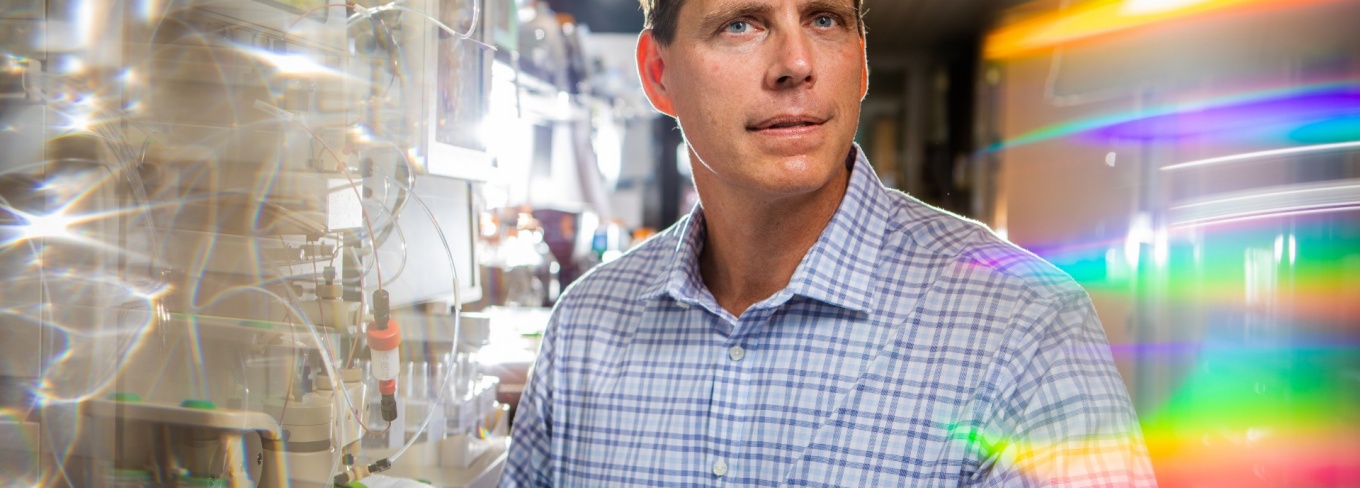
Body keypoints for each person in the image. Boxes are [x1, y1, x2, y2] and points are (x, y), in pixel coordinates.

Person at [501, 0, 1156, 485]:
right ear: (657, 73)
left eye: (824, 19)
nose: (796, 63)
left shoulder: (1027, 326)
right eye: (741, 24)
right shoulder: (584, 327)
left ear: (862, 63)